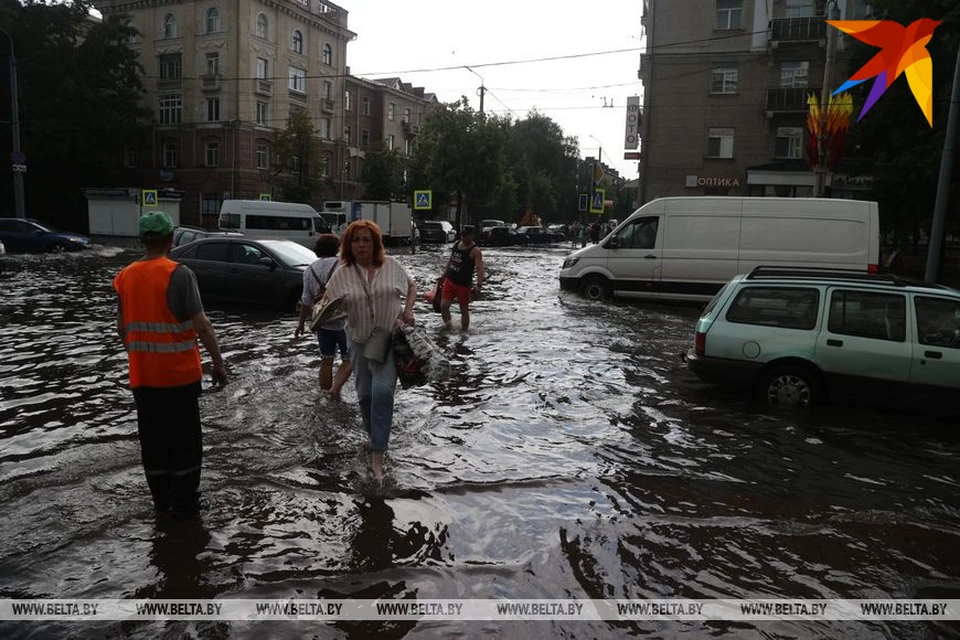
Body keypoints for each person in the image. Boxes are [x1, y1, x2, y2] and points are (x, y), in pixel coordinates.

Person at [113, 211, 227, 518]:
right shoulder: (179, 273)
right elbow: (201, 324)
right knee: (184, 442)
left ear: (141, 241)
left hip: (143, 377)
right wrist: (218, 363)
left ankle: (161, 503)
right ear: (170, 239)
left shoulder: (124, 277)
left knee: (153, 441)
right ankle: (185, 505)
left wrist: (140, 356)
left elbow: (122, 329)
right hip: (178, 376)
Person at [323, 221, 416, 480]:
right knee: (364, 396)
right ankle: (375, 433)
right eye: (356, 240)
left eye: (366, 240)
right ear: (348, 245)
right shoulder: (341, 274)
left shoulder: (392, 266)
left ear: (375, 243)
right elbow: (327, 304)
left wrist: (407, 311)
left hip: (389, 340)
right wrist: (321, 316)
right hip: (359, 341)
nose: (361, 245)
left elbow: (411, 285)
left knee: (382, 391)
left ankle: (378, 456)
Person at [295, 234, 353, 397]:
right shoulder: (344, 265)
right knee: (350, 359)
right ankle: (337, 389)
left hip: (322, 321)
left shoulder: (309, 270)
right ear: (337, 247)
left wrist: (301, 324)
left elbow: (306, 300)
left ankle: (327, 395)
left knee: (326, 361)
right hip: (344, 321)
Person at [440, 225, 485, 331]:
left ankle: (464, 332)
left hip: (463, 285)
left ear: (472, 236)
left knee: (464, 310)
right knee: (444, 306)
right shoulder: (457, 244)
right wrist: (444, 276)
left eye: (466, 236)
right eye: (462, 236)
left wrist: (479, 285)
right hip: (450, 281)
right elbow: (451, 261)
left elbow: (480, 268)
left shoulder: (475, 251)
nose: (463, 239)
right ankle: (448, 328)